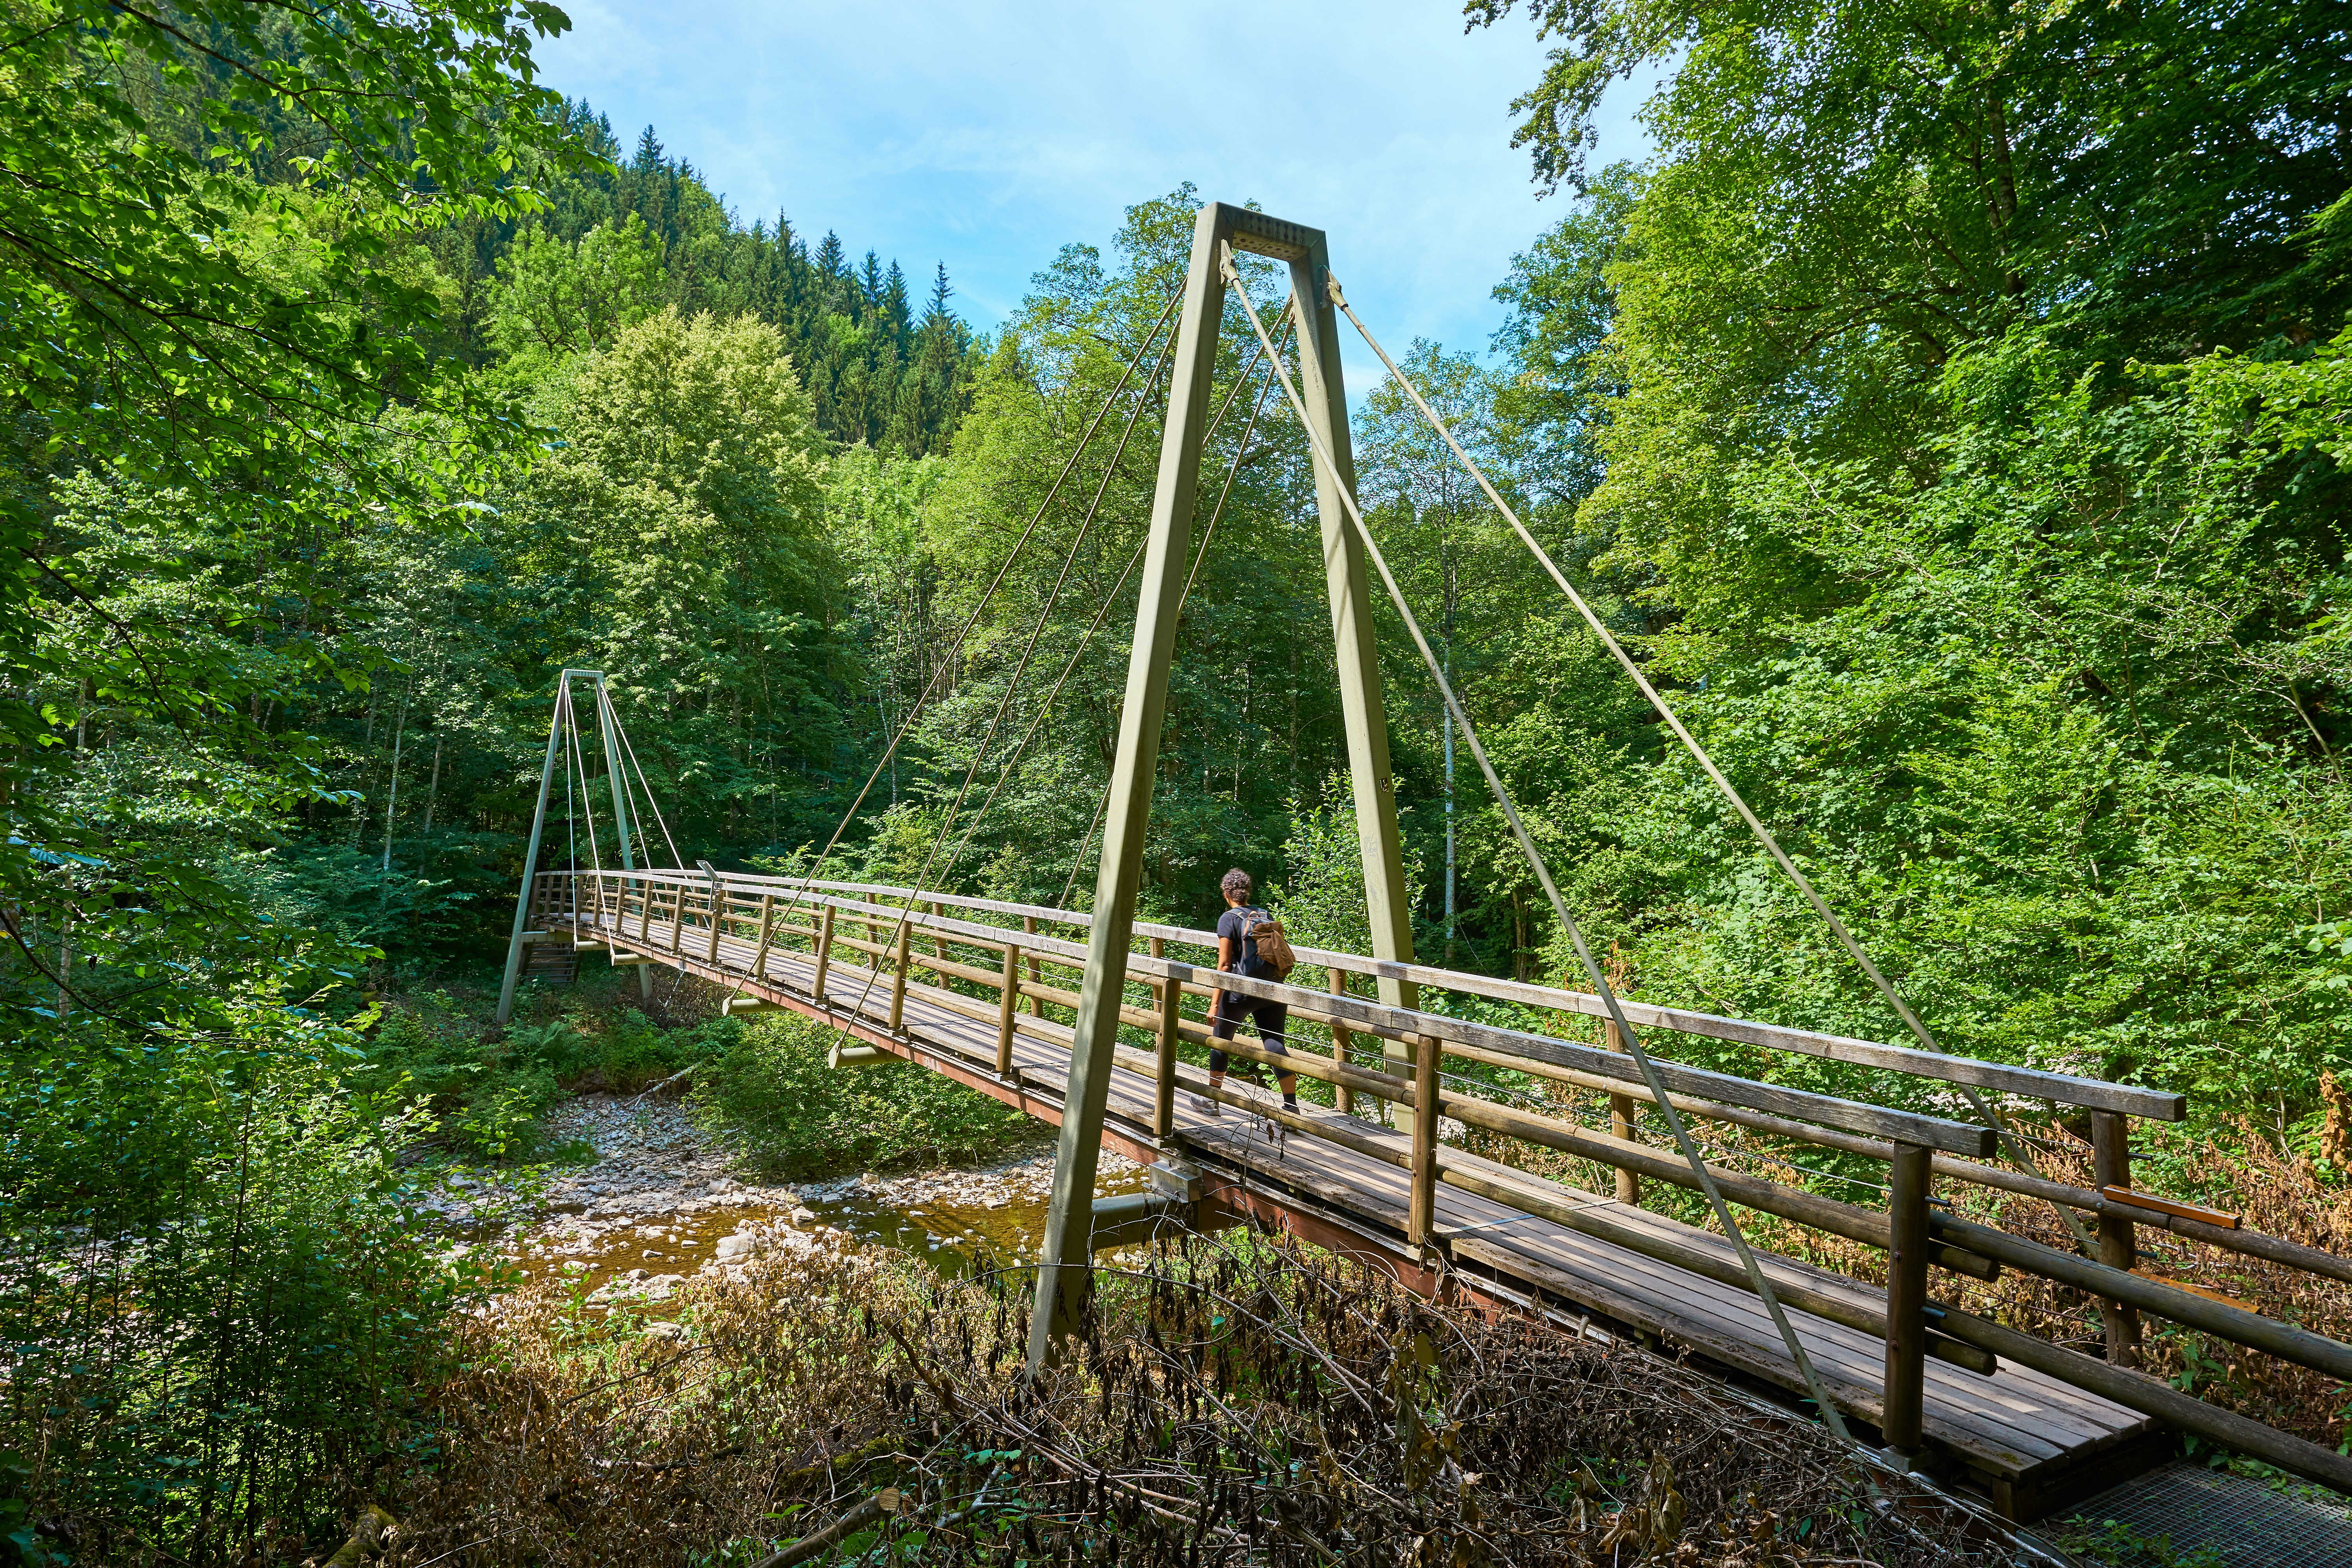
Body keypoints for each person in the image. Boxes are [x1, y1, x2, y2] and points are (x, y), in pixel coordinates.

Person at [1194, 867, 1298, 1117]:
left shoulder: (1228, 919)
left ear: (1226, 893)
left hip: (1241, 992)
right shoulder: (1263, 914)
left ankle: (1212, 1100)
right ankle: (1292, 1106)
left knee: (1221, 1042)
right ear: (1247, 892)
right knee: (1274, 1044)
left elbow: (1225, 965)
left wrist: (1214, 1004)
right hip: (1272, 991)